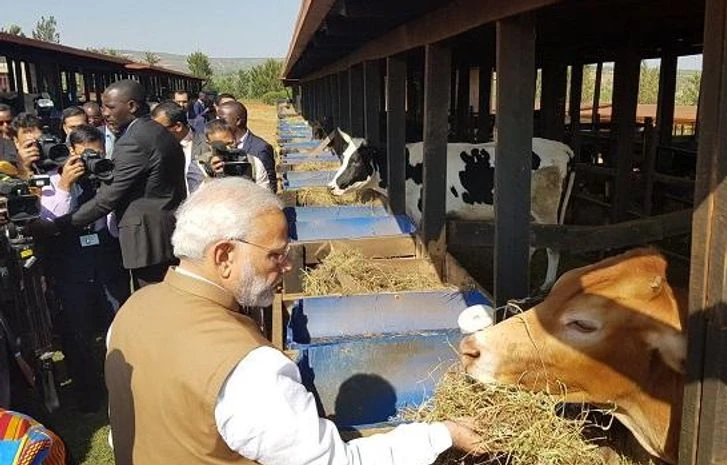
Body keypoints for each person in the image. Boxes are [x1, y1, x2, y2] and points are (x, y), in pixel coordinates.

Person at [105, 177, 481, 465]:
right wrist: (440, 434)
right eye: (275, 255)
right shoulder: (249, 367)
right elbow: (332, 462)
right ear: (224, 256)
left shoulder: (133, 310)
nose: (287, 266)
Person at [51, 79, 187, 290]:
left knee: (152, 305)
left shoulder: (134, 140)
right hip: (163, 235)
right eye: (103, 106)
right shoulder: (157, 132)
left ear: (132, 106)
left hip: (148, 242)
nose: (104, 113)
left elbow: (107, 199)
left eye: (110, 107)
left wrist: (57, 225)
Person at [39, 124, 129, 413]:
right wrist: (66, 185)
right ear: (69, 154)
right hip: (71, 273)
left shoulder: (108, 178)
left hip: (107, 267)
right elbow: (49, 224)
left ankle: (123, 388)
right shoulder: (52, 184)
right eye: (83, 157)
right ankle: (88, 395)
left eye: (97, 154)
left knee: (117, 330)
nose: (90, 162)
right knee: (78, 337)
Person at [151, 101, 207, 195]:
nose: (155, 133)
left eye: (160, 129)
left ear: (178, 126)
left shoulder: (207, 144)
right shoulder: (154, 148)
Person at [217, 101, 276, 190]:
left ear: (238, 121)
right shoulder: (217, 146)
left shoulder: (260, 148)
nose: (218, 124)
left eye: (222, 120)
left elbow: (270, 187)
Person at [199, 119, 269, 189]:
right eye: (221, 147)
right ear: (209, 144)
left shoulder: (254, 163)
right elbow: (197, 197)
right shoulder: (200, 166)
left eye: (230, 143)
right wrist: (212, 176)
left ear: (235, 138)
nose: (227, 149)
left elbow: (265, 194)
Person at [9, 113, 44, 177]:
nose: (33, 137)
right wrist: (24, 167)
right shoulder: (8, 167)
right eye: (27, 131)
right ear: (16, 141)